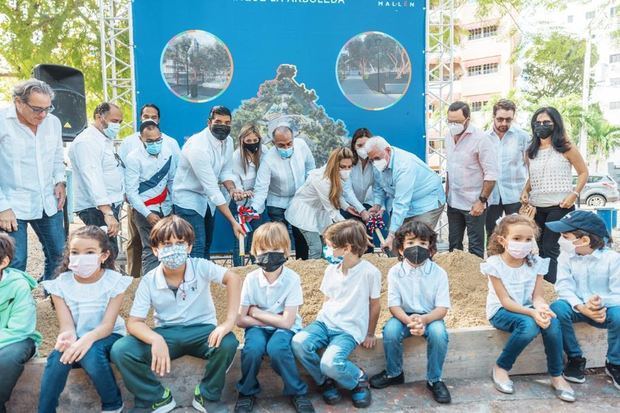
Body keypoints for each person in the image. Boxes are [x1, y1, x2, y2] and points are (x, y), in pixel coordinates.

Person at [110, 215, 241, 413]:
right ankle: (155, 398)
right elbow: (134, 322)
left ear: (189, 247)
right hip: (166, 333)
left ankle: (207, 396)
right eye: (167, 244)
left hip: (202, 332)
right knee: (121, 349)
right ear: (155, 250)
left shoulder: (200, 266)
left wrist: (228, 322)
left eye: (180, 243)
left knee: (228, 342)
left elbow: (234, 279)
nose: (174, 248)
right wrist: (155, 339)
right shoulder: (149, 280)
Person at [481, 214, 575, 402]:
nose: (523, 243)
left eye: (528, 239)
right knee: (529, 325)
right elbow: (505, 301)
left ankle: (556, 375)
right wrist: (532, 312)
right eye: (516, 238)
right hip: (501, 311)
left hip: (528, 307)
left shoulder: (536, 263)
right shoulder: (494, 264)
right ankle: (501, 367)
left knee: (552, 321)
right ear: (502, 240)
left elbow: (537, 296)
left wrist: (542, 309)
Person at [39, 226, 131, 413]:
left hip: (108, 336)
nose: (81, 257)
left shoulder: (114, 281)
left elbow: (107, 326)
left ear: (103, 255)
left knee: (90, 353)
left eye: (89, 252)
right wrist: (67, 338)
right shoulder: (60, 285)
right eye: (75, 252)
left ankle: (113, 405)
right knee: (57, 358)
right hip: (77, 338)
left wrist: (86, 340)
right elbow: (67, 326)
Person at [292, 220, 380, 409]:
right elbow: (327, 300)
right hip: (325, 323)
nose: (327, 250)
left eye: (330, 246)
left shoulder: (370, 273)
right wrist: (317, 325)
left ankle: (358, 380)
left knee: (330, 363)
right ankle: (324, 382)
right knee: (298, 342)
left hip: (347, 330)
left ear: (347, 248)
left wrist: (370, 333)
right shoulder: (331, 270)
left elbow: (375, 305)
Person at [235, 222, 314, 413]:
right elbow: (240, 320)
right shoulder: (251, 279)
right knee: (252, 350)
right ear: (254, 251)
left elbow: (287, 322)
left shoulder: (292, 279)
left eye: (276, 249)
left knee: (278, 349)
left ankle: (297, 391)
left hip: (283, 328)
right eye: (263, 249)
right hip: (258, 327)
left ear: (286, 251)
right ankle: (246, 392)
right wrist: (270, 318)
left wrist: (256, 312)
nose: (269, 254)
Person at [369, 221, 451, 404]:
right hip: (403, 316)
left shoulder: (439, 273)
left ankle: (434, 380)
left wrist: (423, 320)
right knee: (390, 331)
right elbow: (394, 306)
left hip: (430, 316)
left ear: (430, 248)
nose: (417, 248)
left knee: (439, 334)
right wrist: (409, 321)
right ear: (400, 248)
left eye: (423, 243)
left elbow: (442, 308)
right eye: (411, 243)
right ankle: (394, 373)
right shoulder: (395, 272)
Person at [546, 211, 620, 389]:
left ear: (585, 240)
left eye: (565, 236)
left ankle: (614, 362)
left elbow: (617, 293)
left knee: (619, 315)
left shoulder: (613, 259)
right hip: (576, 307)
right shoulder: (565, 257)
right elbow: (563, 287)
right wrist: (582, 306)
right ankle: (575, 359)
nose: (559, 240)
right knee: (557, 308)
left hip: (605, 309)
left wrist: (598, 303)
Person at [0, 79, 66, 281]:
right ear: (18, 102)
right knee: (15, 260)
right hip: (12, 204)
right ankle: (14, 306)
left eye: (48, 108)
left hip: (47, 201)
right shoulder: (2, 122)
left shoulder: (52, 123)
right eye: (37, 109)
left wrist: (60, 181)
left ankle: (52, 300)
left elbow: (56, 156)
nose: (43, 115)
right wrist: (2, 206)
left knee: (60, 255)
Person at [520, 107, 588, 283]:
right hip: (537, 207)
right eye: (538, 123)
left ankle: (553, 287)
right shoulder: (531, 151)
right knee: (538, 247)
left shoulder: (566, 148)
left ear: (555, 124)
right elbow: (534, 177)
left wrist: (574, 194)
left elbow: (583, 173)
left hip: (560, 205)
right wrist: (525, 190)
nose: (541, 126)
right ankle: (541, 285)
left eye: (546, 123)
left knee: (551, 246)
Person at [172, 106, 244, 259]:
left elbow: (225, 172)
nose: (223, 126)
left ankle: (203, 281)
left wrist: (232, 189)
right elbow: (212, 189)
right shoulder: (197, 147)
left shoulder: (229, 141)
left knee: (206, 246)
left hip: (207, 202)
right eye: (218, 121)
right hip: (188, 201)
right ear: (209, 122)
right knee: (195, 248)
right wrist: (233, 222)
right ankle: (192, 282)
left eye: (227, 122)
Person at [118, 103, 181, 278]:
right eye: (150, 141)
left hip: (166, 207)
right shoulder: (133, 156)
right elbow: (131, 191)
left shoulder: (169, 150)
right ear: (141, 139)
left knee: (169, 246)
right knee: (149, 248)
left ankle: (169, 283)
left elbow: (172, 180)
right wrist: (147, 214)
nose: (155, 144)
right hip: (143, 208)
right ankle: (148, 287)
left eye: (157, 140)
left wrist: (172, 206)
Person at [285, 147, 369, 259]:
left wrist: (347, 207)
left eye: (349, 166)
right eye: (343, 167)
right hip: (305, 213)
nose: (347, 170)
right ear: (334, 165)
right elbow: (333, 211)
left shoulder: (339, 175)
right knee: (316, 248)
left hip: (321, 212)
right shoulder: (322, 179)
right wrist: (353, 228)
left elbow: (336, 194)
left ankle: (324, 271)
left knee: (326, 247)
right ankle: (311, 274)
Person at [365, 136, 446, 251]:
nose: (374, 162)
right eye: (371, 160)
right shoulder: (377, 163)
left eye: (377, 158)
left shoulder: (404, 165)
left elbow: (401, 203)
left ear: (387, 150)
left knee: (416, 242)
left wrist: (391, 235)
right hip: (404, 204)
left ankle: (420, 267)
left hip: (426, 202)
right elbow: (378, 187)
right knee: (395, 244)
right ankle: (397, 267)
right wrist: (377, 205)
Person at [250, 125, 316, 260]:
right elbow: (261, 187)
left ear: (293, 138)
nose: (286, 147)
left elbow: (310, 166)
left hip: (299, 200)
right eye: (281, 145)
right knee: (280, 238)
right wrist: (253, 209)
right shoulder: (268, 159)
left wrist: (308, 189)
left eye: (289, 143)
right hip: (277, 203)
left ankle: (302, 265)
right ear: (274, 143)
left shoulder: (302, 145)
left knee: (301, 236)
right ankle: (281, 266)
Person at [68, 102, 124, 258]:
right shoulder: (87, 141)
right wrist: (107, 212)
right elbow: (93, 178)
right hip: (96, 208)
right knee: (103, 252)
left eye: (120, 122)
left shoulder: (103, 140)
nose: (117, 125)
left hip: (108, 204)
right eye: (114, 121)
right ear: (100, 117)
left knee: (109, 251)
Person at [445, 101, 498, 258]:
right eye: (450, 121)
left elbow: (491, 174)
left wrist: (481, 201)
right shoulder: (448, 136)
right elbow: (450, 168)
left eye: (457, 121)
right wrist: (446, 193)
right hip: (453, 201)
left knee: (475, 247)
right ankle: (456, 280)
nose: (453, 125)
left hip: (474, 203)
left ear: (468, 119)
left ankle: (474, 280)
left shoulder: (481, 139)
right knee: (454, 246)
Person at [0, 234, 41, 413]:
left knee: (7, 358)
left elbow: (21, 329)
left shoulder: (18, 286)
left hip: (17, 341)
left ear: (3, 262)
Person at [485, 99, 530, 237]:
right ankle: (493, 259)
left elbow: (531, 168)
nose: (504, 123)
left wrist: (527, 191)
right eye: (500, 119)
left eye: (508, 120)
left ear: (513, 118)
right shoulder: (484, 138)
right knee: (493, 235)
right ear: (493, 117)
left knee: (518, 233)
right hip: (491, 195)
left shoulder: (523, 137)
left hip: (516, 195)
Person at [230, 124, 267, 267]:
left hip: (258, 205)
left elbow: (264, 181)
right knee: (240, 239)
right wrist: (241, 193)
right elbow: (234, 178)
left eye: (255, 140)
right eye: (248, 141)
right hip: (240, 205)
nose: (252, 144)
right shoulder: (236, 156)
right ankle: (239, 269)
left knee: (256, 240)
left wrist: (255, 201)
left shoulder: (265, 153)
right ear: (242, 140)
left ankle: (256, 268)